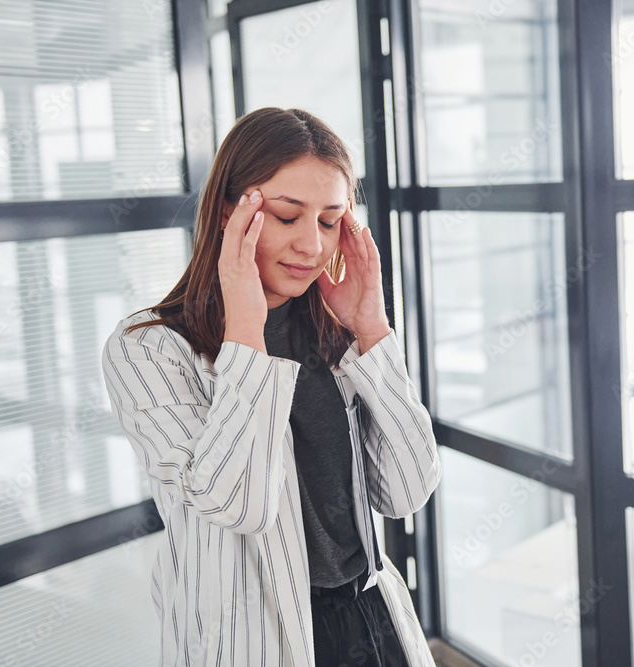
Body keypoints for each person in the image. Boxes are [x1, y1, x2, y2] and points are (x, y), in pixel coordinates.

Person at [101, 107, 441, 666]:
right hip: (254, 641)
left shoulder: (335, 334)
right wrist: (245, 333)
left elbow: (405, 492)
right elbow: (238, 505)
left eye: (329, 222)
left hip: (369, 619)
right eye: (287, 216)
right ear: (229, 213)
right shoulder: (149, 349)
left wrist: (372, 328)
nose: (312, 245)